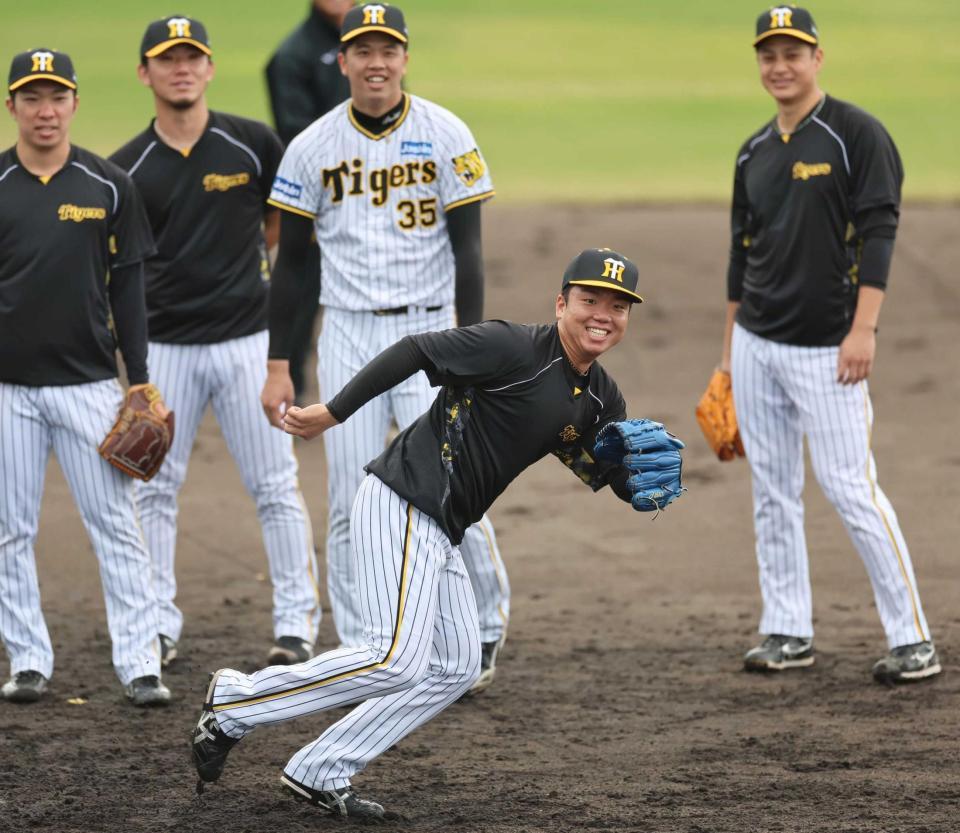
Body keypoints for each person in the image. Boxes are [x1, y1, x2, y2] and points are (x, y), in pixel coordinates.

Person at [193, 248, 653, 819]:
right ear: (562, 303)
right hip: (402, 500)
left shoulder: (603, 399)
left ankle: (320, 768)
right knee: (393, 658)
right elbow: (417, 350)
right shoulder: (511, 346)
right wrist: (334, 412)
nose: (602, 315)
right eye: (589, 301)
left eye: (617, 305)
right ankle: (235, 701)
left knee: (456, 664)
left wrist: (643, 491)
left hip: (441, 527)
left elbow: (606, 472)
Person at [260, 3, 510, 691]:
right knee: (349, 493)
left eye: (387, 49)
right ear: (340, 61)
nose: (375, 61)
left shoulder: (445, 132)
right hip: (347, 329)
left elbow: (470, 251)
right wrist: (282, 363)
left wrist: (477, 347)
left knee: (456, 482)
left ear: (404, 58)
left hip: (432, 330)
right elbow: (295, 267)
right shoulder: (310, 147)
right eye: (361, 50)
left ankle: (483, 626)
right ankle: (367, 639)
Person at [721, 6, 940, 682]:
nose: (779, 66)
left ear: (819, 58)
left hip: (829, 348)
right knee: (772, 489)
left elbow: (880, 232)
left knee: (850, 486)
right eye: (769, 55)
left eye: (793, 53)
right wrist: (728, 356)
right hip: (757, 342)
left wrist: (864, 327)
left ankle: (913, 638)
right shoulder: (754, 151)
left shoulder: (856, 135)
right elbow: (741, 254)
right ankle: (788, 629)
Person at [110, 17, 320, 667]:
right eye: (167, 60)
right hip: (166, 350)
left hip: (247, 345)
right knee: (151, 488)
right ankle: (157, 621)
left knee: (275, 483)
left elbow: (289, 220)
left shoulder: (253, 144)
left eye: (192, 58)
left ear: (209, 69)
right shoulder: (126, 168)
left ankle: (296, 623)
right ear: (145, 72)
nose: (181, 69)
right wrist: (135, 371)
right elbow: (122, 270)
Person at [0, 49, 171, 706]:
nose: (45, 110)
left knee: (116, 523)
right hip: (9, 389)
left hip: (89, 384)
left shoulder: (108, 185)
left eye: (56, 96)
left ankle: (140, 662)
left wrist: (140, 379)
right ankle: (28, 659)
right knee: (10, 527)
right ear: (11, 106)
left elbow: (128, 288)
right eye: (32, 97)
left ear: (74, 103)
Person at [265, 0, 354, 404]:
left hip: (378, 192)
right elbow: (296, 138)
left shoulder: (373, 41)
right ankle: (291, 388)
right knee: (302, 294)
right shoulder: (291, 56)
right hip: (320, 199)